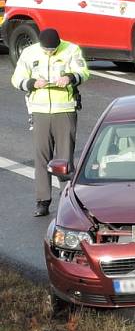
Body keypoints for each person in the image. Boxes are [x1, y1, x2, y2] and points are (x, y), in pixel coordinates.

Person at [11, 28, 90, 217]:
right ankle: (42, 201)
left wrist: (70, 77)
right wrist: (31, 83)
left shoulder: (71, 50)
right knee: (42, 157)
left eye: (53, 50)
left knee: (65, 158)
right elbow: (16, 79)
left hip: (65, 110)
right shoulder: (30, 53)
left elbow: (84, 72)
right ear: (40, 45)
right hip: (40, 111)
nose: (50, 53)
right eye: (47, 50)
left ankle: (67, 200)